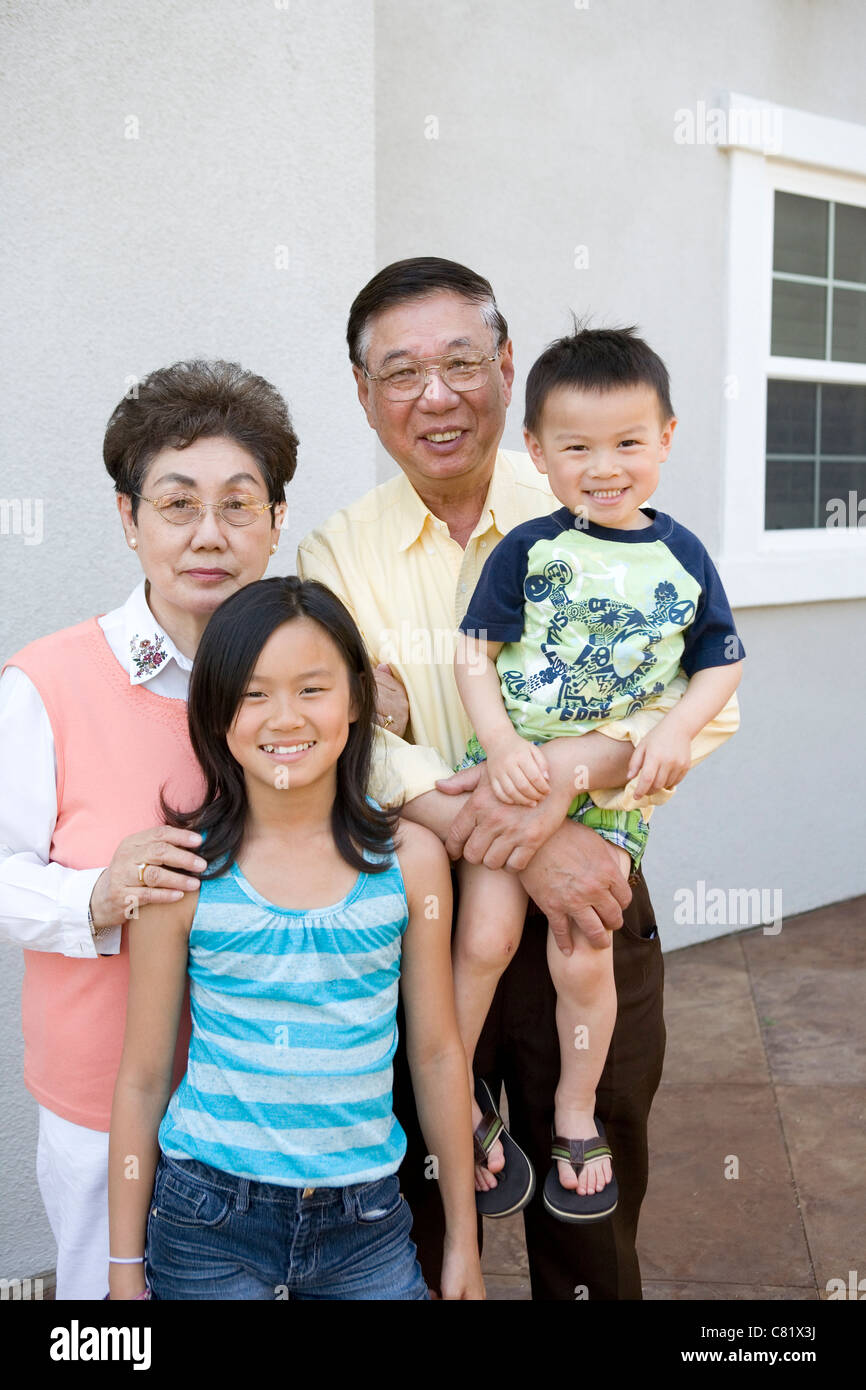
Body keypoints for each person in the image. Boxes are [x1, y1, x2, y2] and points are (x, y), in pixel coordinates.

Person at [297, 257, 740, 1299]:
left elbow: (711, 696)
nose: (435, 394)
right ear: (363, 395)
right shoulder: (334, 554)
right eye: (400, 373)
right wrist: (528, 837)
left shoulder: (594, 500)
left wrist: (574, 784)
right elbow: (343, 733)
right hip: (419, 925)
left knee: (590, 1215)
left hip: (589, 902)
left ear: (506, 368)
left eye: (461, 361)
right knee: (416, 1208)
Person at [0, 360, 297, 1299]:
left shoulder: (315, 684)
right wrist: (97, 892)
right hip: (102, 1101)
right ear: (128, 519)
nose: (209, 536)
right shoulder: (46, 683)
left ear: (276, 520)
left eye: (239, 505)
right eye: (177, 505)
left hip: (274, 1100)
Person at [107, 576, 483, 1301]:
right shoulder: (182, 872)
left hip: (367, 1220)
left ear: (355, 704)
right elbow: (144, 1075)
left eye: (312, 689)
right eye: (253, 694)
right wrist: (125, 1274)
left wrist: (463, 1242)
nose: (285, 718)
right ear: (216, 713)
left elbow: (437, 1052)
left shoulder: (411, 862)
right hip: (207, 1221)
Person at [448, 325, 744, 1223]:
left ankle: (575, 1110)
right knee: (486, 939)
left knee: (584, 948)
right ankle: (455, 1098)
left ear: (667, 437)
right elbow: (472, 653)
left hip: (610, 799)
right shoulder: (529, 549)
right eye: (576, 447)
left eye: (628, 442)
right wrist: (500, 746)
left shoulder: (684, 557)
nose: (604, 466)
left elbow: (721, 662)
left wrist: (675, 729)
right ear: (536, 452)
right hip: (512, 775)